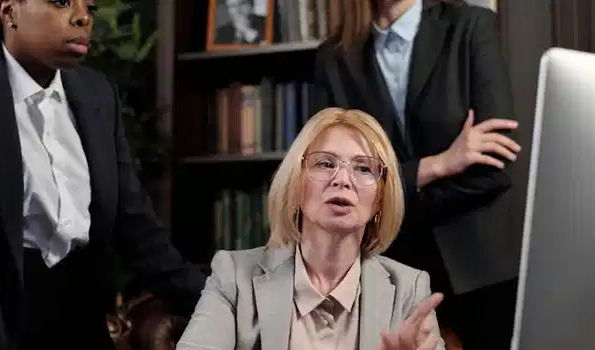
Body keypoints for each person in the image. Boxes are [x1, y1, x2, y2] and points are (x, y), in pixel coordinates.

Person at [0, 0, 205, 349]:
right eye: (62, 2)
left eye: (90, 7)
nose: (82, 17)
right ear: (8, 10)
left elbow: (139, 232)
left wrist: (224, 305)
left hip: (81, 326)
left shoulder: (98, 94)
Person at [312, 0, 523, 348]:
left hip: (483, 271)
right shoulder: (334, 57)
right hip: (391, 274)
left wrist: (393, 195)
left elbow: (494, 169)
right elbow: (334, 178)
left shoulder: (470, 26)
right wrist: (440, 164)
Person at [177, 108, 446, 350]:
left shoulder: (408, 290)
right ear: (296, 184)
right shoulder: (234, 278)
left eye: (363, 168)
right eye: (325, 164)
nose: (342, 180)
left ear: (380, 199)